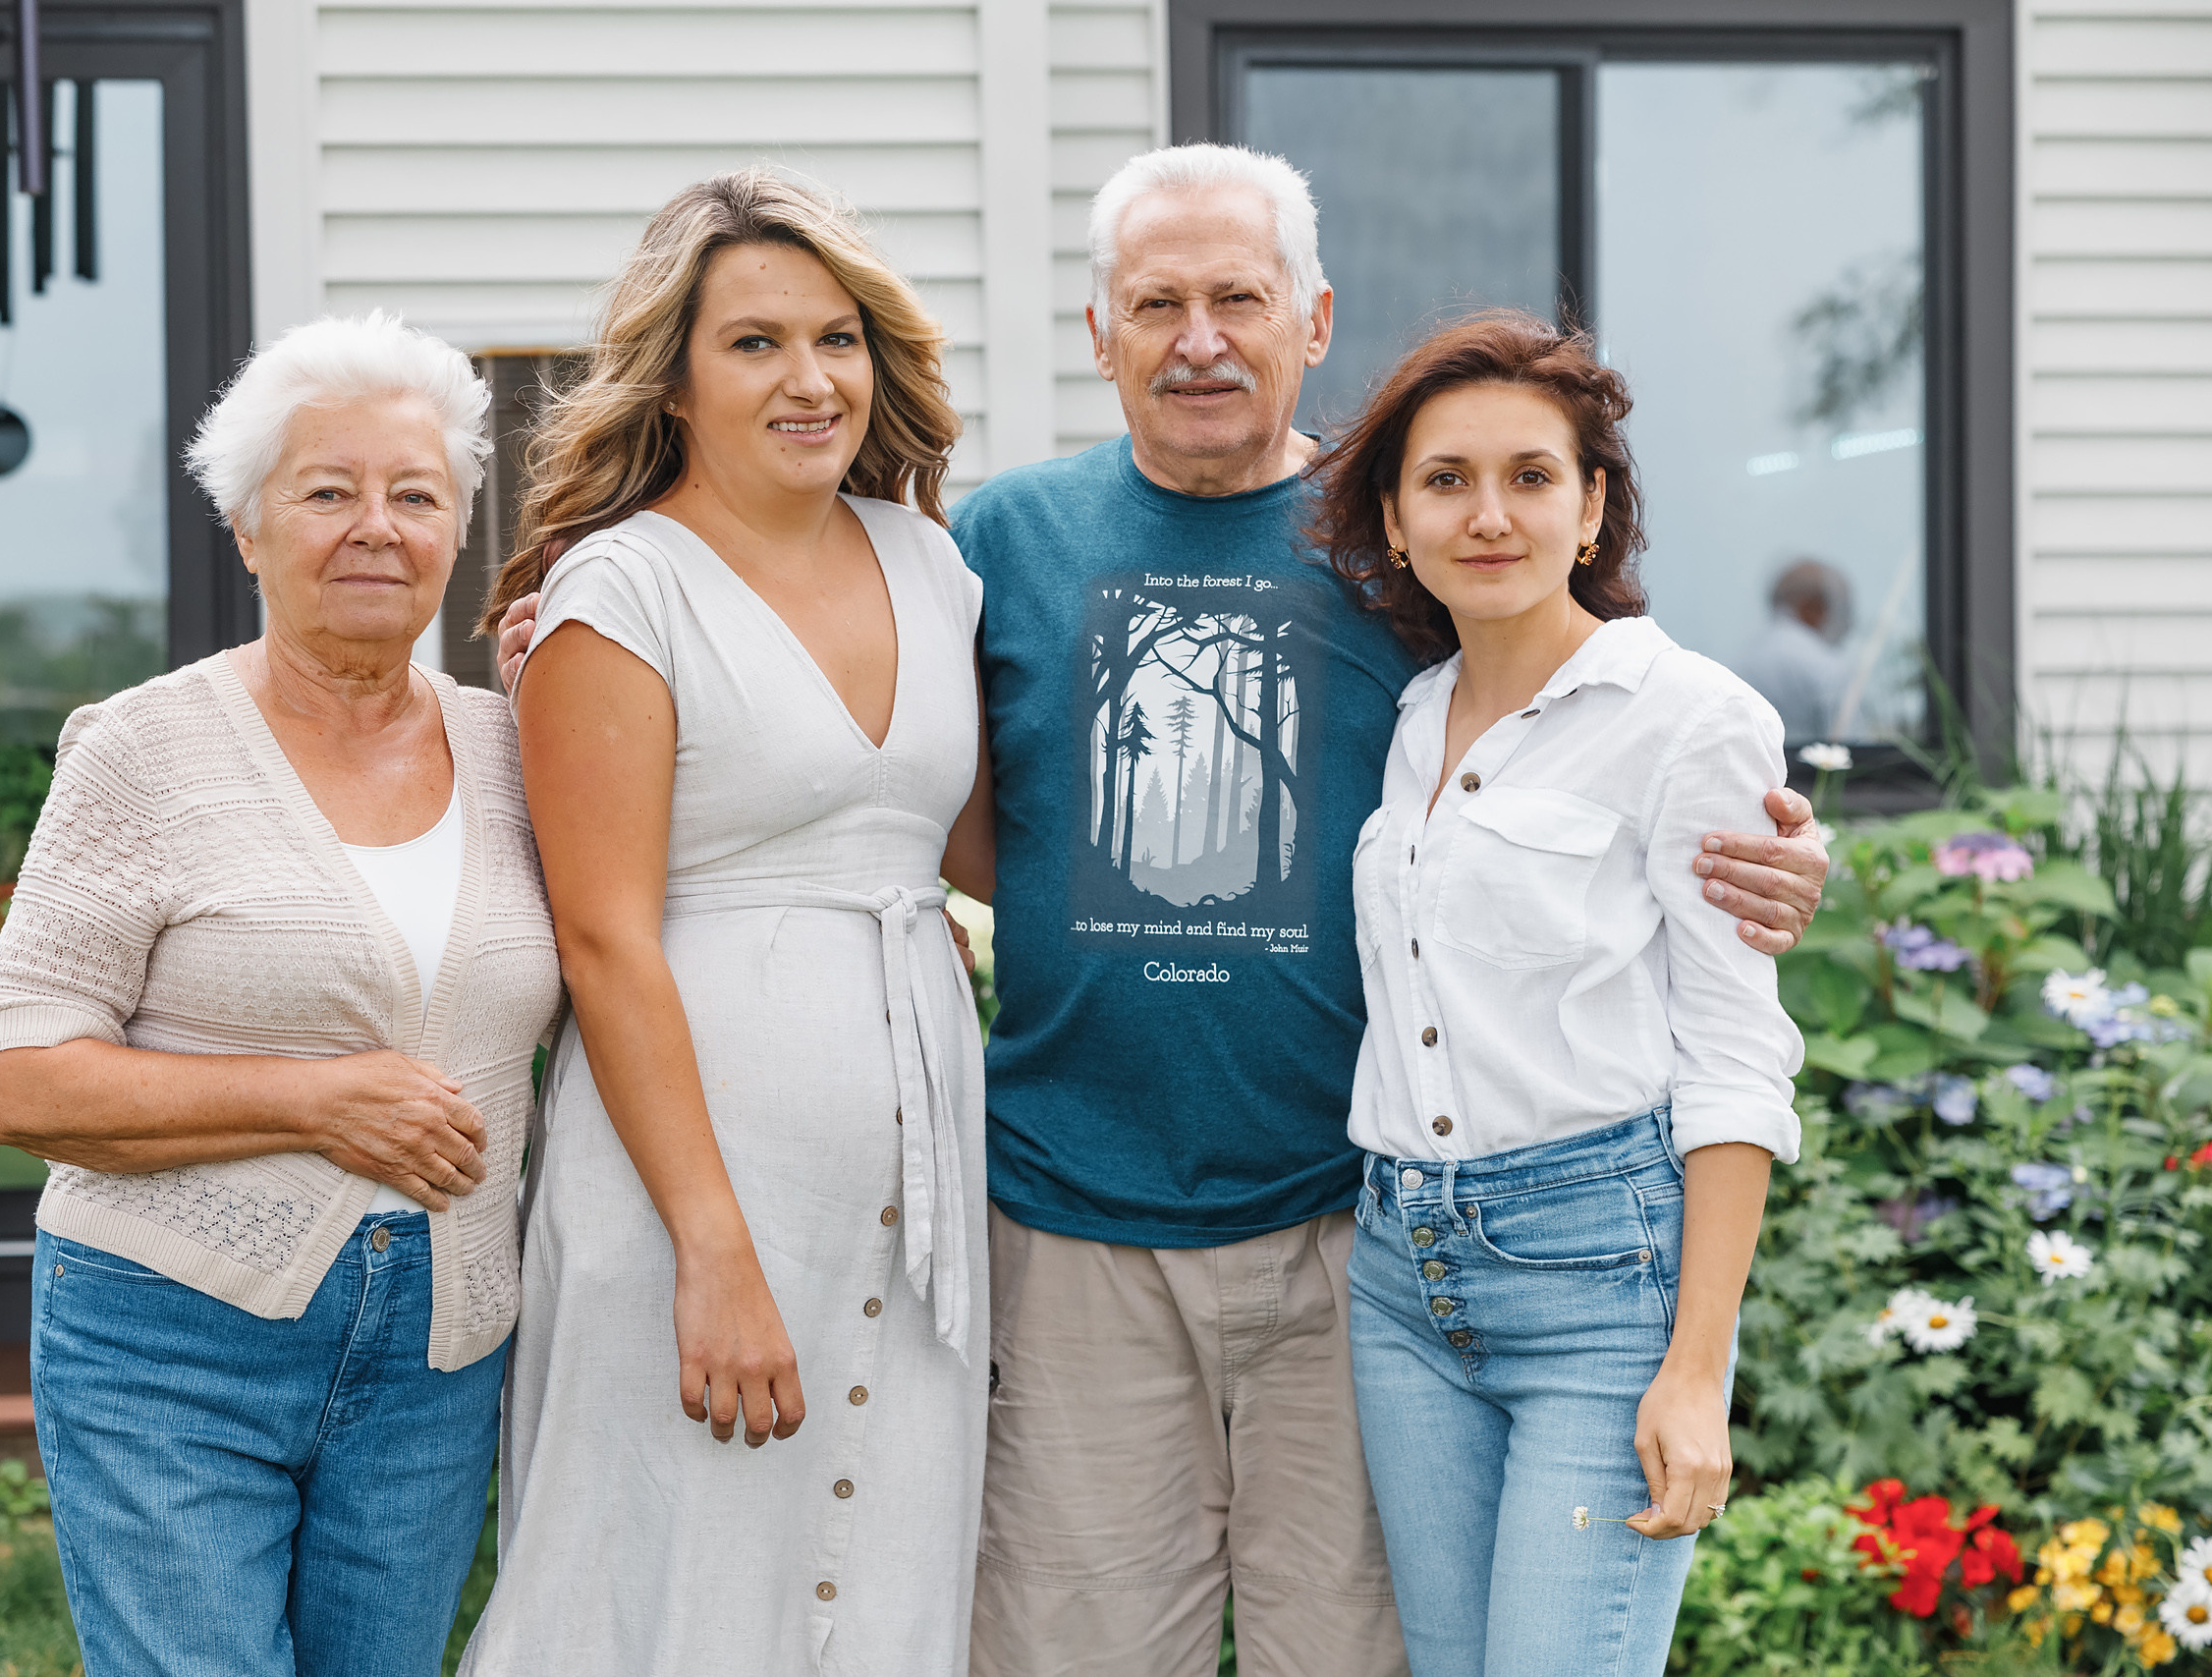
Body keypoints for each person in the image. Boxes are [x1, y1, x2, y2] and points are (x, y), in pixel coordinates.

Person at [494, 143, 1827, 1677]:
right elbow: (902, 793)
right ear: (1099, 334)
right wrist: (588, 644)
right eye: (1159, 302)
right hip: (1072, 1231)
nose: (1200, 338)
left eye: (1238, 299)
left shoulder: (1406, 537)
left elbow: (1598, 714)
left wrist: (1774, 837)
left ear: (1313, 320)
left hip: (1357, 1234)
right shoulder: (989, 547)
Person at [0, 312, 560, 1676]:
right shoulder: (147, 748)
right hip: (170, 1330)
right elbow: (15, 1075)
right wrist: (313, 1101)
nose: (376, 525)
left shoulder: (517, 743)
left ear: (458, 531)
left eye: (415, 495)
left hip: (442, 1342)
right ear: (247, 526)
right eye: (328, 490)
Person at [457, 169, 993, 1674]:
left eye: (839, 337)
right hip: (698, 1186)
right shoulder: (620, 592)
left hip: (916, 1168)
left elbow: (980, 849)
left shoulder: (928, 563)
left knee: (879, 1572)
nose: (810, 378)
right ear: (677, 381)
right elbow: (605, 939)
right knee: (660, 1575)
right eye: (756, 342)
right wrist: (714, 1246)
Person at [1316, 309, 1800, 1674]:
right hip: (1403, 1278)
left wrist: (1696, 1367)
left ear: (1593, 509)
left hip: (1600, 1280)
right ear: (1397, 523)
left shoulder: (1689, 718)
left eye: (1532, 476)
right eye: (1446, 480)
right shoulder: (1409, 722)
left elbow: (1732, 1051)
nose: (1490, 514)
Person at [1737, 557, 1852, 744]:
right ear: (1812, 607)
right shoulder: (1824, 666)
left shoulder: (1739, 662)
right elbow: (1850, 750)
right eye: (1842, 609)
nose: (1848, 626)